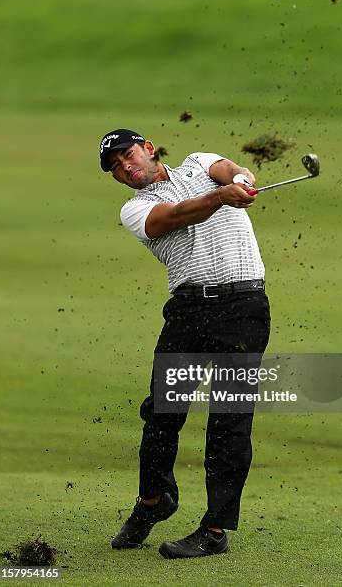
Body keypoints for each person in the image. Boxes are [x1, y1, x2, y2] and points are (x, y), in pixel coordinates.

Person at [99, 128, 271, 559]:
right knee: (162, 413)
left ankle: (215, 530)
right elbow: (175, 216)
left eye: (128, 154)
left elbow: (225, 168)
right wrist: (221, 198)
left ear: (149, 148)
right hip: (190, 313)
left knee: (230, 420)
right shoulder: (135, 210)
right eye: (116, 166)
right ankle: (155, 501)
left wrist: (241, 176)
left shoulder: (198, 162)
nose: (125, 166)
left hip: (245, 309)